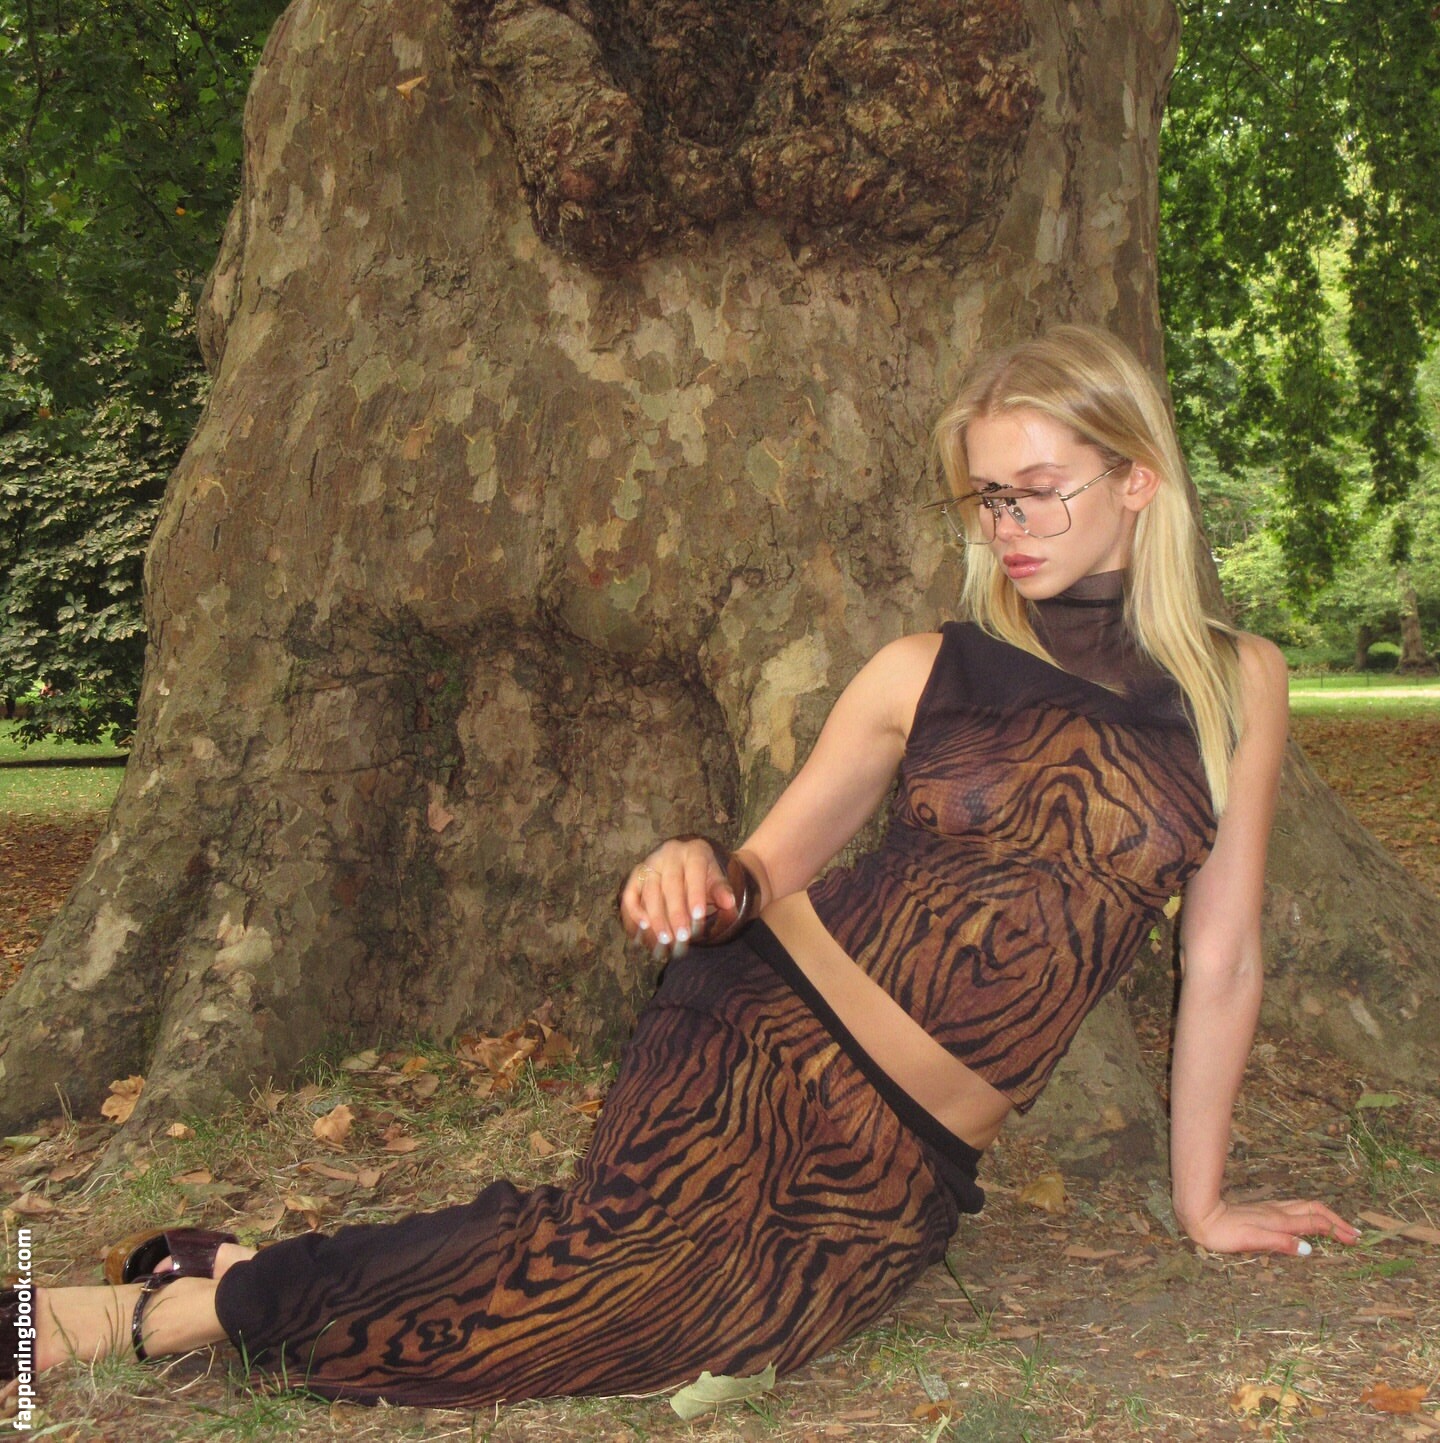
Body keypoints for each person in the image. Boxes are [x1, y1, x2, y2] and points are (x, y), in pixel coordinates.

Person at [3, 325, 1358, 1411]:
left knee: (732, 1333)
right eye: (989, 496)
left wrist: (1202, 1204)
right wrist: (693, 863)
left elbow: (1223, 956)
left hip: (910, 1155)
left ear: (1138, 476)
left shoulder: (1238, 683)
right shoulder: (928, 669)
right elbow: (762, 870)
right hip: (762, 1033)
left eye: (1042, 487)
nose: (1011, 522)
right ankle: (152, 1313)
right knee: (588, 1288)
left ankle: (231, 1267)